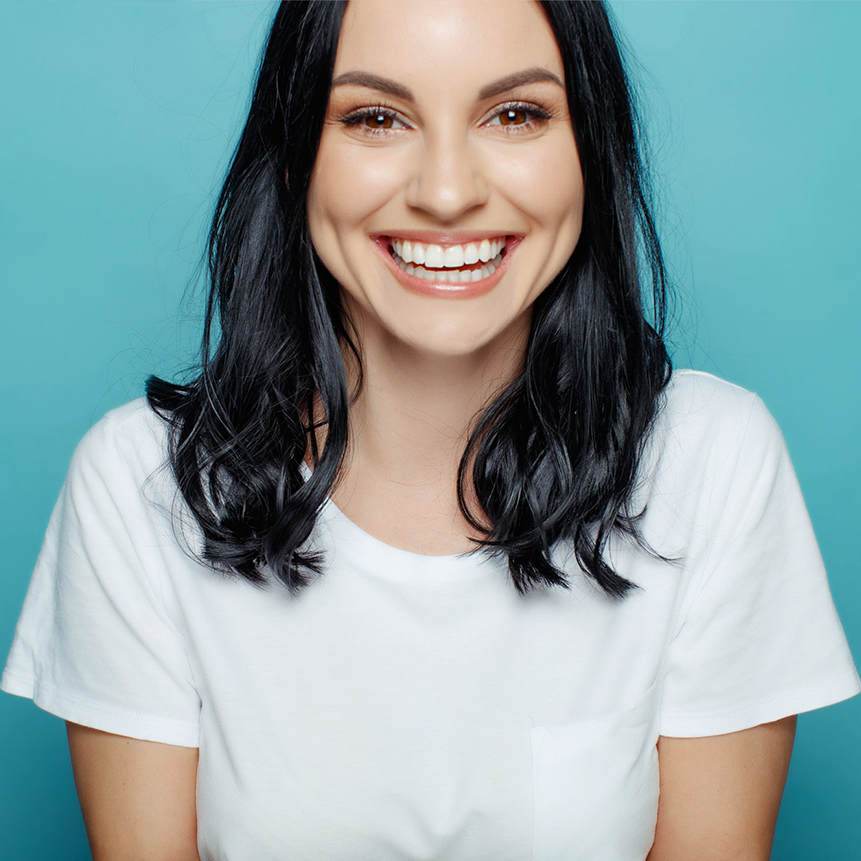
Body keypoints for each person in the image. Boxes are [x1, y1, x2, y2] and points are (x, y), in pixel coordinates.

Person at [2, 1, 858, 859]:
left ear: (588, 150)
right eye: (375, 117)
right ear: (297, 157)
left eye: (515, 114)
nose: (446, 193)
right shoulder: (143, 486)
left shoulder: (708, 461)